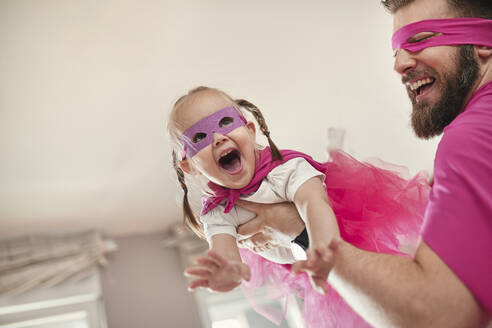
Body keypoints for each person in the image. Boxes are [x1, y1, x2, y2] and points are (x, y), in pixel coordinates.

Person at [237, 0, 492, 326]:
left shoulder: (472, 134)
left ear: (483, 41)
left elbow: (442, 317)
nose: (399, 65)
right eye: (396, 50)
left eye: (418, 40)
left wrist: (303, 232)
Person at [167, 86, 430, 326]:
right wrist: (228, 272)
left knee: (389, 289)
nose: (217, 138)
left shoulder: (285, 170)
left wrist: (324, 249)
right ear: (190, 165)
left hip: (339, 234)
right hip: (302, 262)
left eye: (225, 122)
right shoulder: (217, 210)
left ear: (250, 129)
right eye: (199, 137)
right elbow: (224, 251)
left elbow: (313, 202)